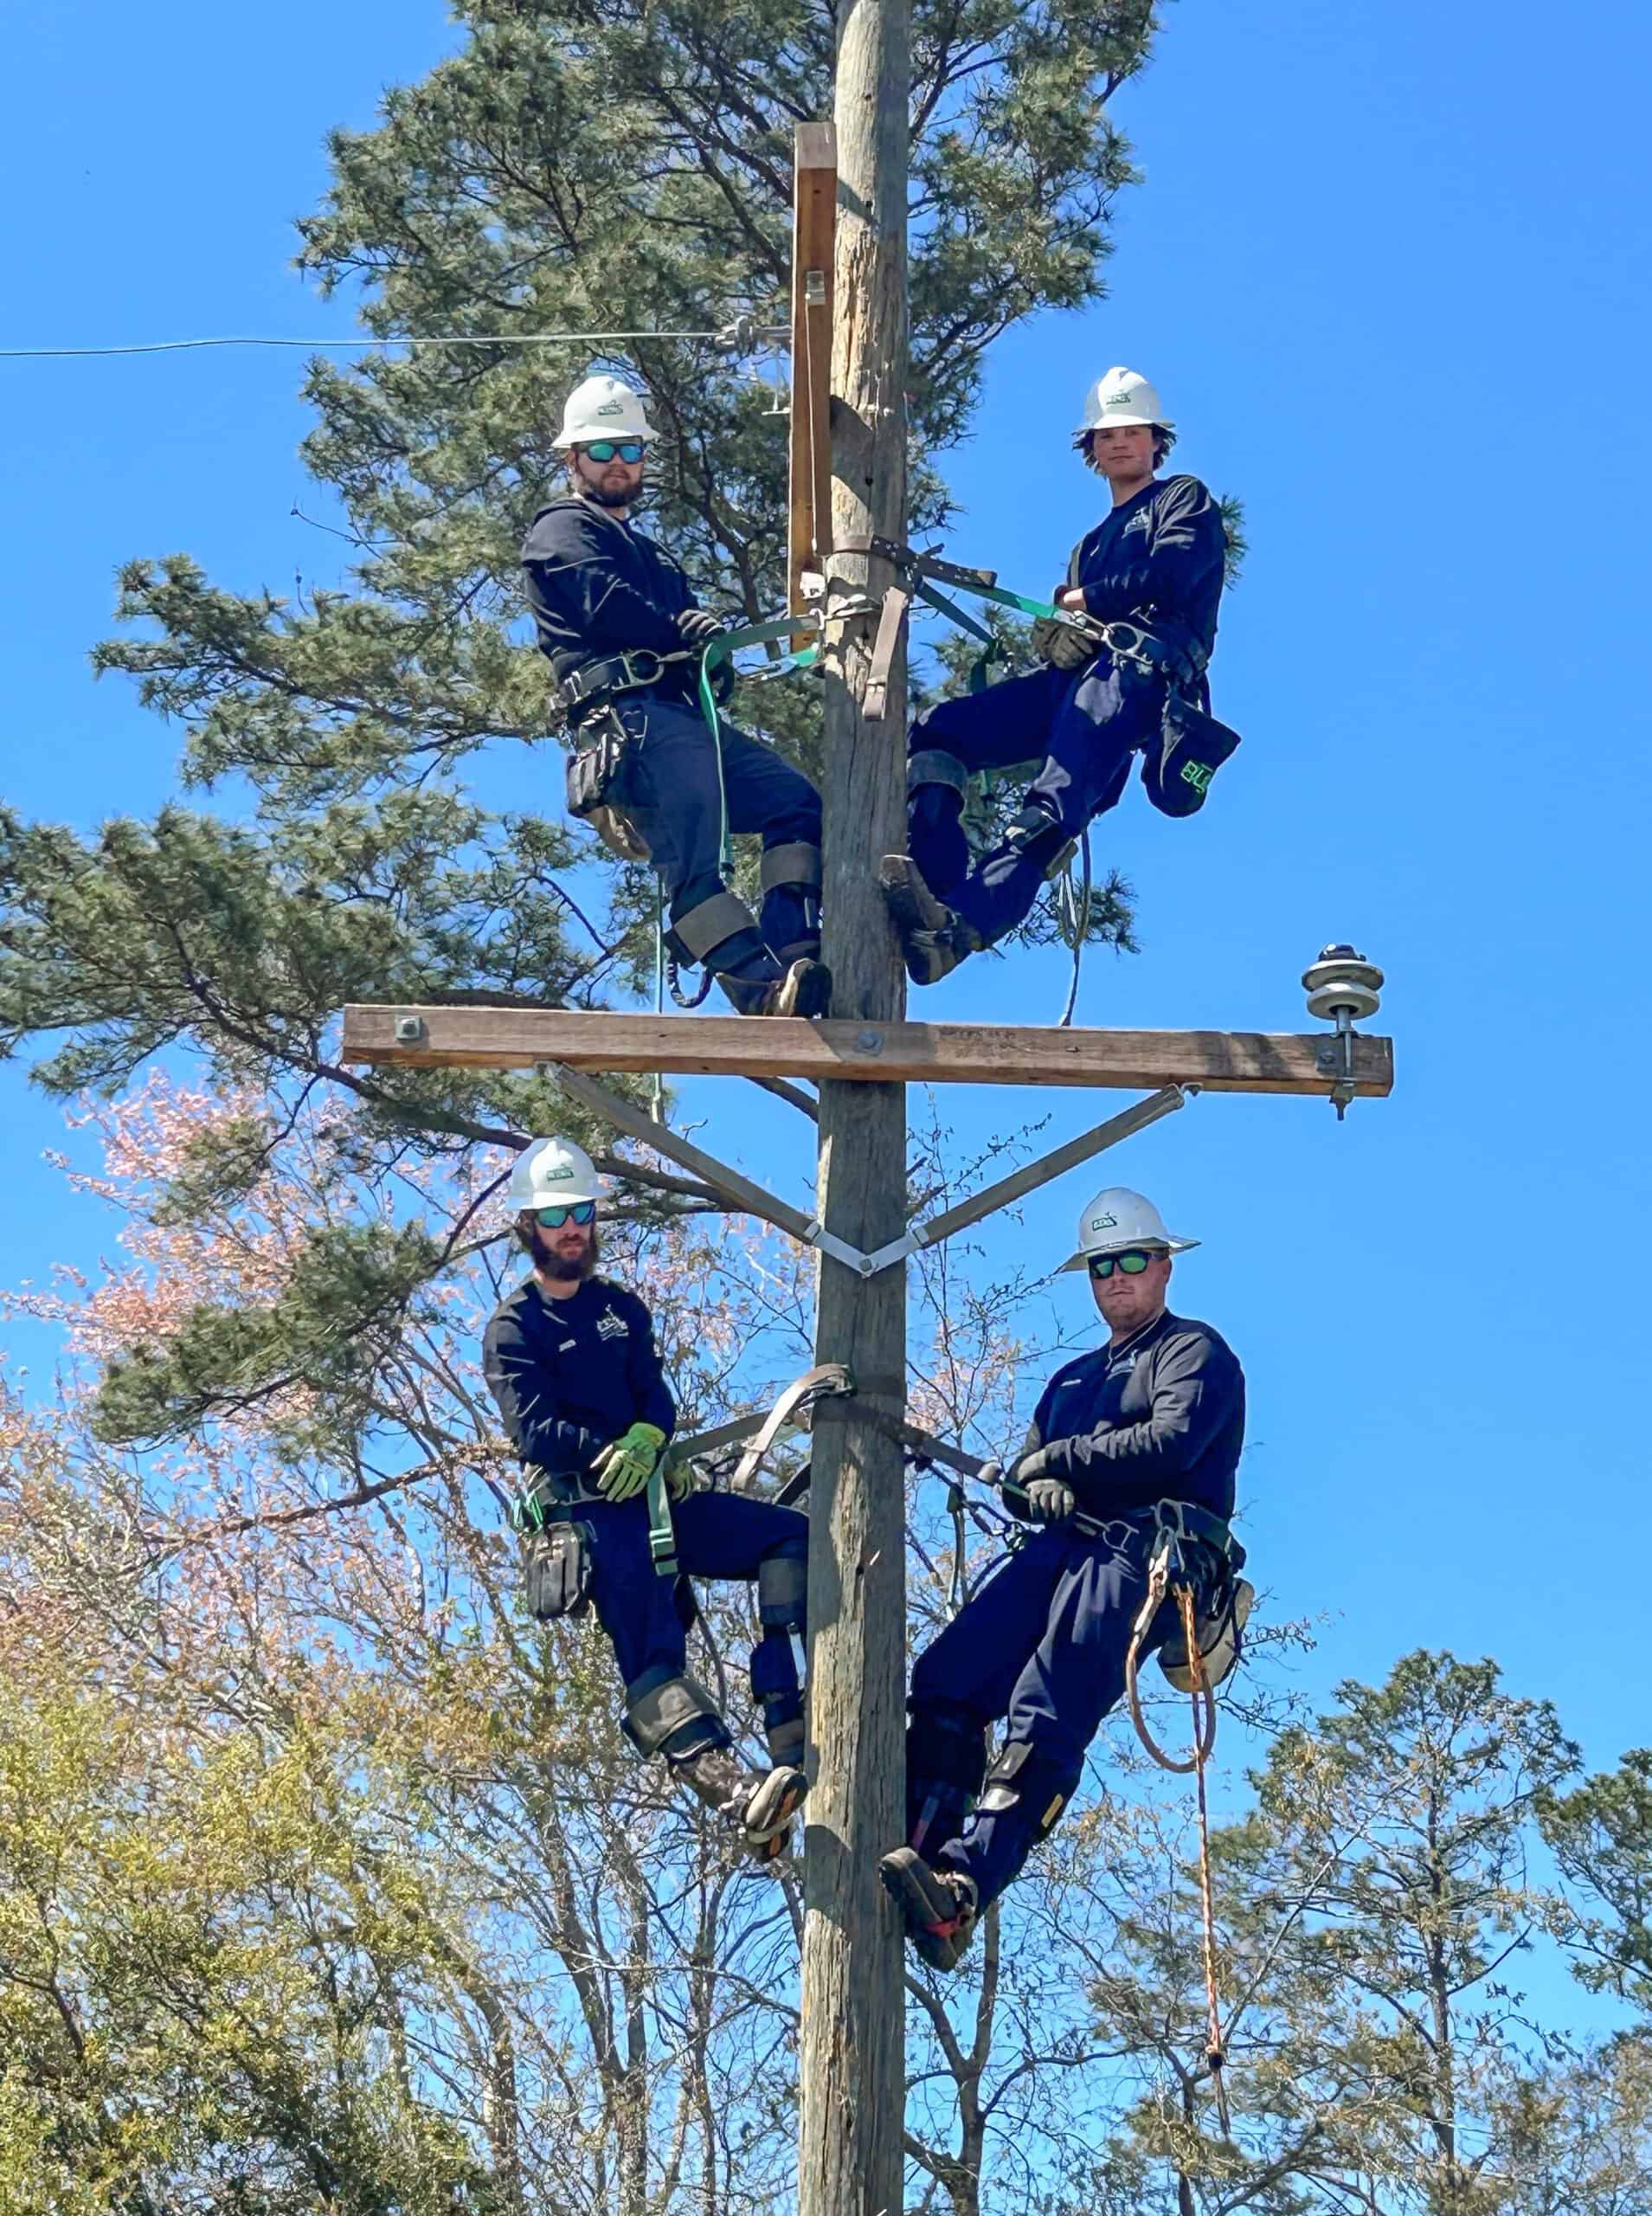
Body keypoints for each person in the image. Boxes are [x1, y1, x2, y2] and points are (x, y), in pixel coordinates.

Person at [879, 1186, 1246, 1967]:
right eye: (1101, 1267)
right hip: (1061, 1548)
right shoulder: (1073, 1380)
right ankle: (915, 1844)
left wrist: (1061, 1463)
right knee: (948, 1678)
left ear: (1163, 1266)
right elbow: (1027, 1471)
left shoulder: (1192, 1352)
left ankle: (962, 1886)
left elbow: (1171, 1443)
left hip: (1143, 1553)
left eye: (1131, 1263)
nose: (1116, 1279)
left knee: (1044, 1705)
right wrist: (1031, 1480)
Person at [483, 1135, 811, 1859]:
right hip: (591, 1516)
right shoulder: (515, 1327)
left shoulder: (619, 1309)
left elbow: (653, 1398)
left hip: (656, 1497)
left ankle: (791, 1718)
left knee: (790, 1537)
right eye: (556, 1215)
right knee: (652, 1654)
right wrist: (604, 1454)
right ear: (528, 1227)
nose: (573, 1227)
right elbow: (533, 1430)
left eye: (582, 1211)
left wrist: (649, 1443)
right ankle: (734, 1792)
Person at [882, 368, 1241, 985]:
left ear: (1156, 441)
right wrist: (1064, 633)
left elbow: (1173, 574)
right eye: (1106, 436)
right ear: (1091, 451)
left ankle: (960, 928)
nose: (1119, 444)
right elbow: (1087, 613)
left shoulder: (1181, 498)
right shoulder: (1090, 543)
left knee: (1054, 800)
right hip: (1080, 678)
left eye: (1132, 432)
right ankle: (935, 887)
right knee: (940, 732)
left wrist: (1083, 602)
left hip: (1136, 674)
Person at [522, 373, 831, 1019]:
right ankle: (761, 992)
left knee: (795, 805)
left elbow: (685, 635)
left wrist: (707, 667)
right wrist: (679, 633)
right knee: (692, 865)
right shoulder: (559, 530)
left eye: (628, 450)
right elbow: (602, 603)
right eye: (601, 450)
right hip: (629, 723)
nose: (615, 464)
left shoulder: (656, 559)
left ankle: (794, 946)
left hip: (680, 718)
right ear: (572, 458)